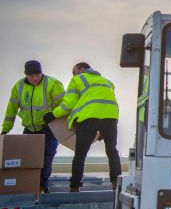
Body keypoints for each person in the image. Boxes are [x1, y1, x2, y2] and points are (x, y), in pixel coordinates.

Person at [48, 62, 121, 192]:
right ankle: (116, 183)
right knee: (112, 150)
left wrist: (53, 114)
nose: (73, 74)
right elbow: (111, 102)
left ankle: (75, 186)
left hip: (89, 118)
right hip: (110, 118)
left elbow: (68, 104)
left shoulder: (77, 79)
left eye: (74, 71)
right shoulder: (108, 82)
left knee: (80, 153)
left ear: (81, 69)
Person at [3, 60, 65, 192]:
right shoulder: (18, 86)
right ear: (26, 75)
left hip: (48, 128)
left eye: (38, 74)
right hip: (30, 129)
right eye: (32, 76)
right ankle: (27, 186)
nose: (35, 78)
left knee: (46, 158)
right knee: (27, 159)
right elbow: (11, 109)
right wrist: (5, 129)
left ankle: (41, 187)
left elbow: (64, 106)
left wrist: (53, 115)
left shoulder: (53, 84)